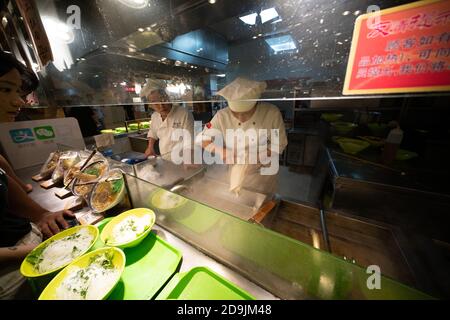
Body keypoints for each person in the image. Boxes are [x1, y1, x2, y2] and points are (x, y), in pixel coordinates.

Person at [0, 51, 75, 299]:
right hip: (8, 274)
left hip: (25, 238)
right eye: (6, 90)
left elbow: (8, 178)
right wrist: (37, 249)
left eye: (19, 92)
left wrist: (41, 214)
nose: (19, 101)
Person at [199, 77, 288, 197]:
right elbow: (203, 139)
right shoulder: (221, 116)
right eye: (235, 113)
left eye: (246, 112)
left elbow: (279, 144)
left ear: (255, 103)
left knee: (262, 207)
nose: (240, 117)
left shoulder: (271, 113)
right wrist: (221, 151)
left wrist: (255, 157)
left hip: (263, 175)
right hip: (235, 172)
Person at [140, 79, 194, 162]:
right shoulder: (155, 116)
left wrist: (188, 160)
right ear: (150, 105)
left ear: (168, 97)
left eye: (163, 100)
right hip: (165, 159)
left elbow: (190, 139)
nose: (161, 106)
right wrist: (150, 147)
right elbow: (153, 133)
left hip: (183, 160)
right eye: (155, 103)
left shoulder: (183, 113)